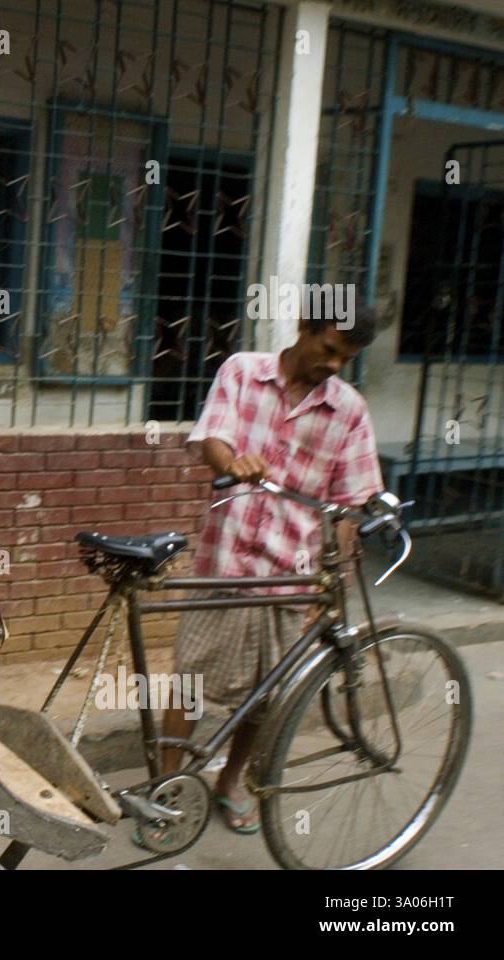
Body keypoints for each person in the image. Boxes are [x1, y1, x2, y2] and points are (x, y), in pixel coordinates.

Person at [156, 305, 383, 838]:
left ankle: (231, 783)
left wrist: (332, 582)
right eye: (327, 349)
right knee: (190, 680)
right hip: (225, 562)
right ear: (305, 327)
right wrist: (230, 462)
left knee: (266, 695)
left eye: (344, 360)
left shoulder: (349, 411)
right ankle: (164, 788)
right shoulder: (241, 370)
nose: (332, 365)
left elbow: (350, 504)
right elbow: (212, 436)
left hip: (291, 573)